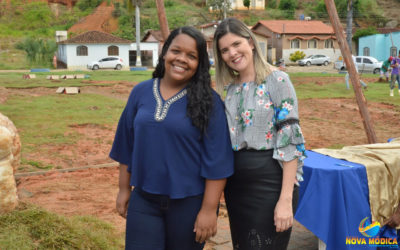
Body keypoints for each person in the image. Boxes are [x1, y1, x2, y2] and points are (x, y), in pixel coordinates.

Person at [109, 26, 234, 250]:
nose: (182, 59)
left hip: (190, 205)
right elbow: (126, 144)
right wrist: (124, 189)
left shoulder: (210, 103)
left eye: (191, 56)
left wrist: (208, 210)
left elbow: (217, 162)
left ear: (199, 64)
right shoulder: (141, 92)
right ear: (165, 52)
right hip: (144, 200)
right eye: (176, 51)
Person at [213, 18, 307, 250]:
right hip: (237, 187)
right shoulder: (230, 88)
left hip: (270, 183)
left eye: (236, 44)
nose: (232, 53)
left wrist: (285, 201)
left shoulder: (277, 80)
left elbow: (291, 141)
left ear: (251, 43)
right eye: (224, 50)